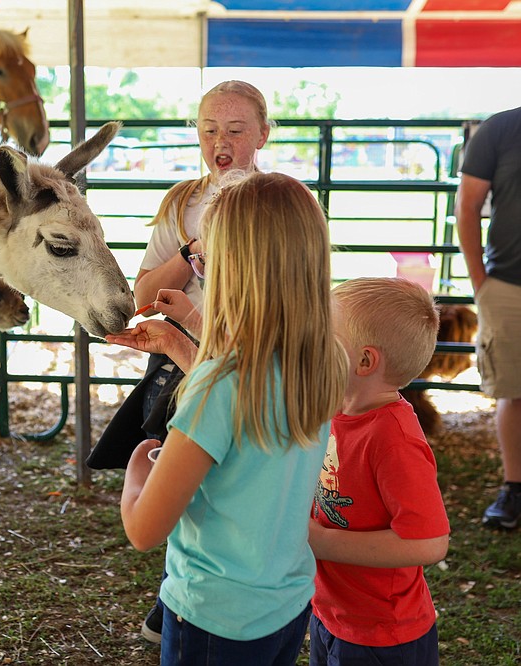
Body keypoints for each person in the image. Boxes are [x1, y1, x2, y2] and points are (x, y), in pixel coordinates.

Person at [111, 171, 347, 665]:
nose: (198, 271)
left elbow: (144, 529)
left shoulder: (219, 387)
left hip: (213, 619)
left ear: (235, 271)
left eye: (202, 262)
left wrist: (138, 465)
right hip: (284, 604)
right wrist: (179, 340)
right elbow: (246, 404)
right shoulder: (321, 360)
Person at [85, 79, 272, 643]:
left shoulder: (284, 200)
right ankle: (183, 597)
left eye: (236, 130)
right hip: (189, 360)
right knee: (194, 476)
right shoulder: (182, 204)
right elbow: (144, 291)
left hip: (256, 357)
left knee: (240, 475)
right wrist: (196, 250)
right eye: (210, 129)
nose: (222, 141)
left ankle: (204, 598)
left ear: (262, 134)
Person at [309, 277, 450, 666]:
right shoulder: (338, 408)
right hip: (331, 613)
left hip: (382, 636)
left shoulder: (394, 439)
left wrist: (322, 542)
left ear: (365, 361)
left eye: (325, 337)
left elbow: (429, 543)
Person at [456, 106, 521, 530]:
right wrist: (481, 282)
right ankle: (514, 489)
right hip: (507, 283)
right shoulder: (500, 128)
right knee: (512, 390)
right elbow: (468, 206)